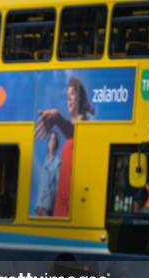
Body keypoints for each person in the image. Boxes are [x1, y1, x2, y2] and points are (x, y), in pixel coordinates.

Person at [36, 77, 95, 217]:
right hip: (61, 202)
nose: (69, 98)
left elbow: (75, 132)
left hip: (72, 203)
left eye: (73, 94)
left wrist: (58, 119)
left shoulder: (85, 125)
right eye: (68, 96)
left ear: (80, 98)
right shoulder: (71, 129)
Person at [35, 131, 61, 216]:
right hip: (39, 205)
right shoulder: (44, 161)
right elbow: (41, 185)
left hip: (48, 206)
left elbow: (58, 187)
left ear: (56, 144)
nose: (51, 142)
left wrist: (48, 196)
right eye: (50, 139)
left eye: (53, 140)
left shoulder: (58, 163)